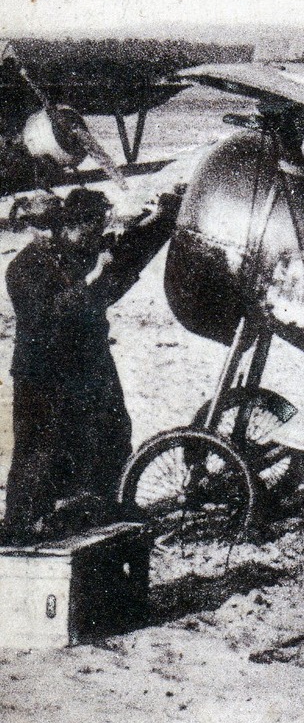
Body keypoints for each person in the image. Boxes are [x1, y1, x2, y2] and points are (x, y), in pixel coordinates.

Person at [3, 186, 184, 544]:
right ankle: (21, 528)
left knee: (112, 432)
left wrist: (166, 217)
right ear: (44, 228)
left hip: (88, 360)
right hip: (43, 372)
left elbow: (129, 250)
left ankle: (108, 506)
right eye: (55, 227)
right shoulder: (22, 269)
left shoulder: (73, 252)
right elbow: (62, 312)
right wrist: (101, 276)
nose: (96, 235)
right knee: (39, 449)